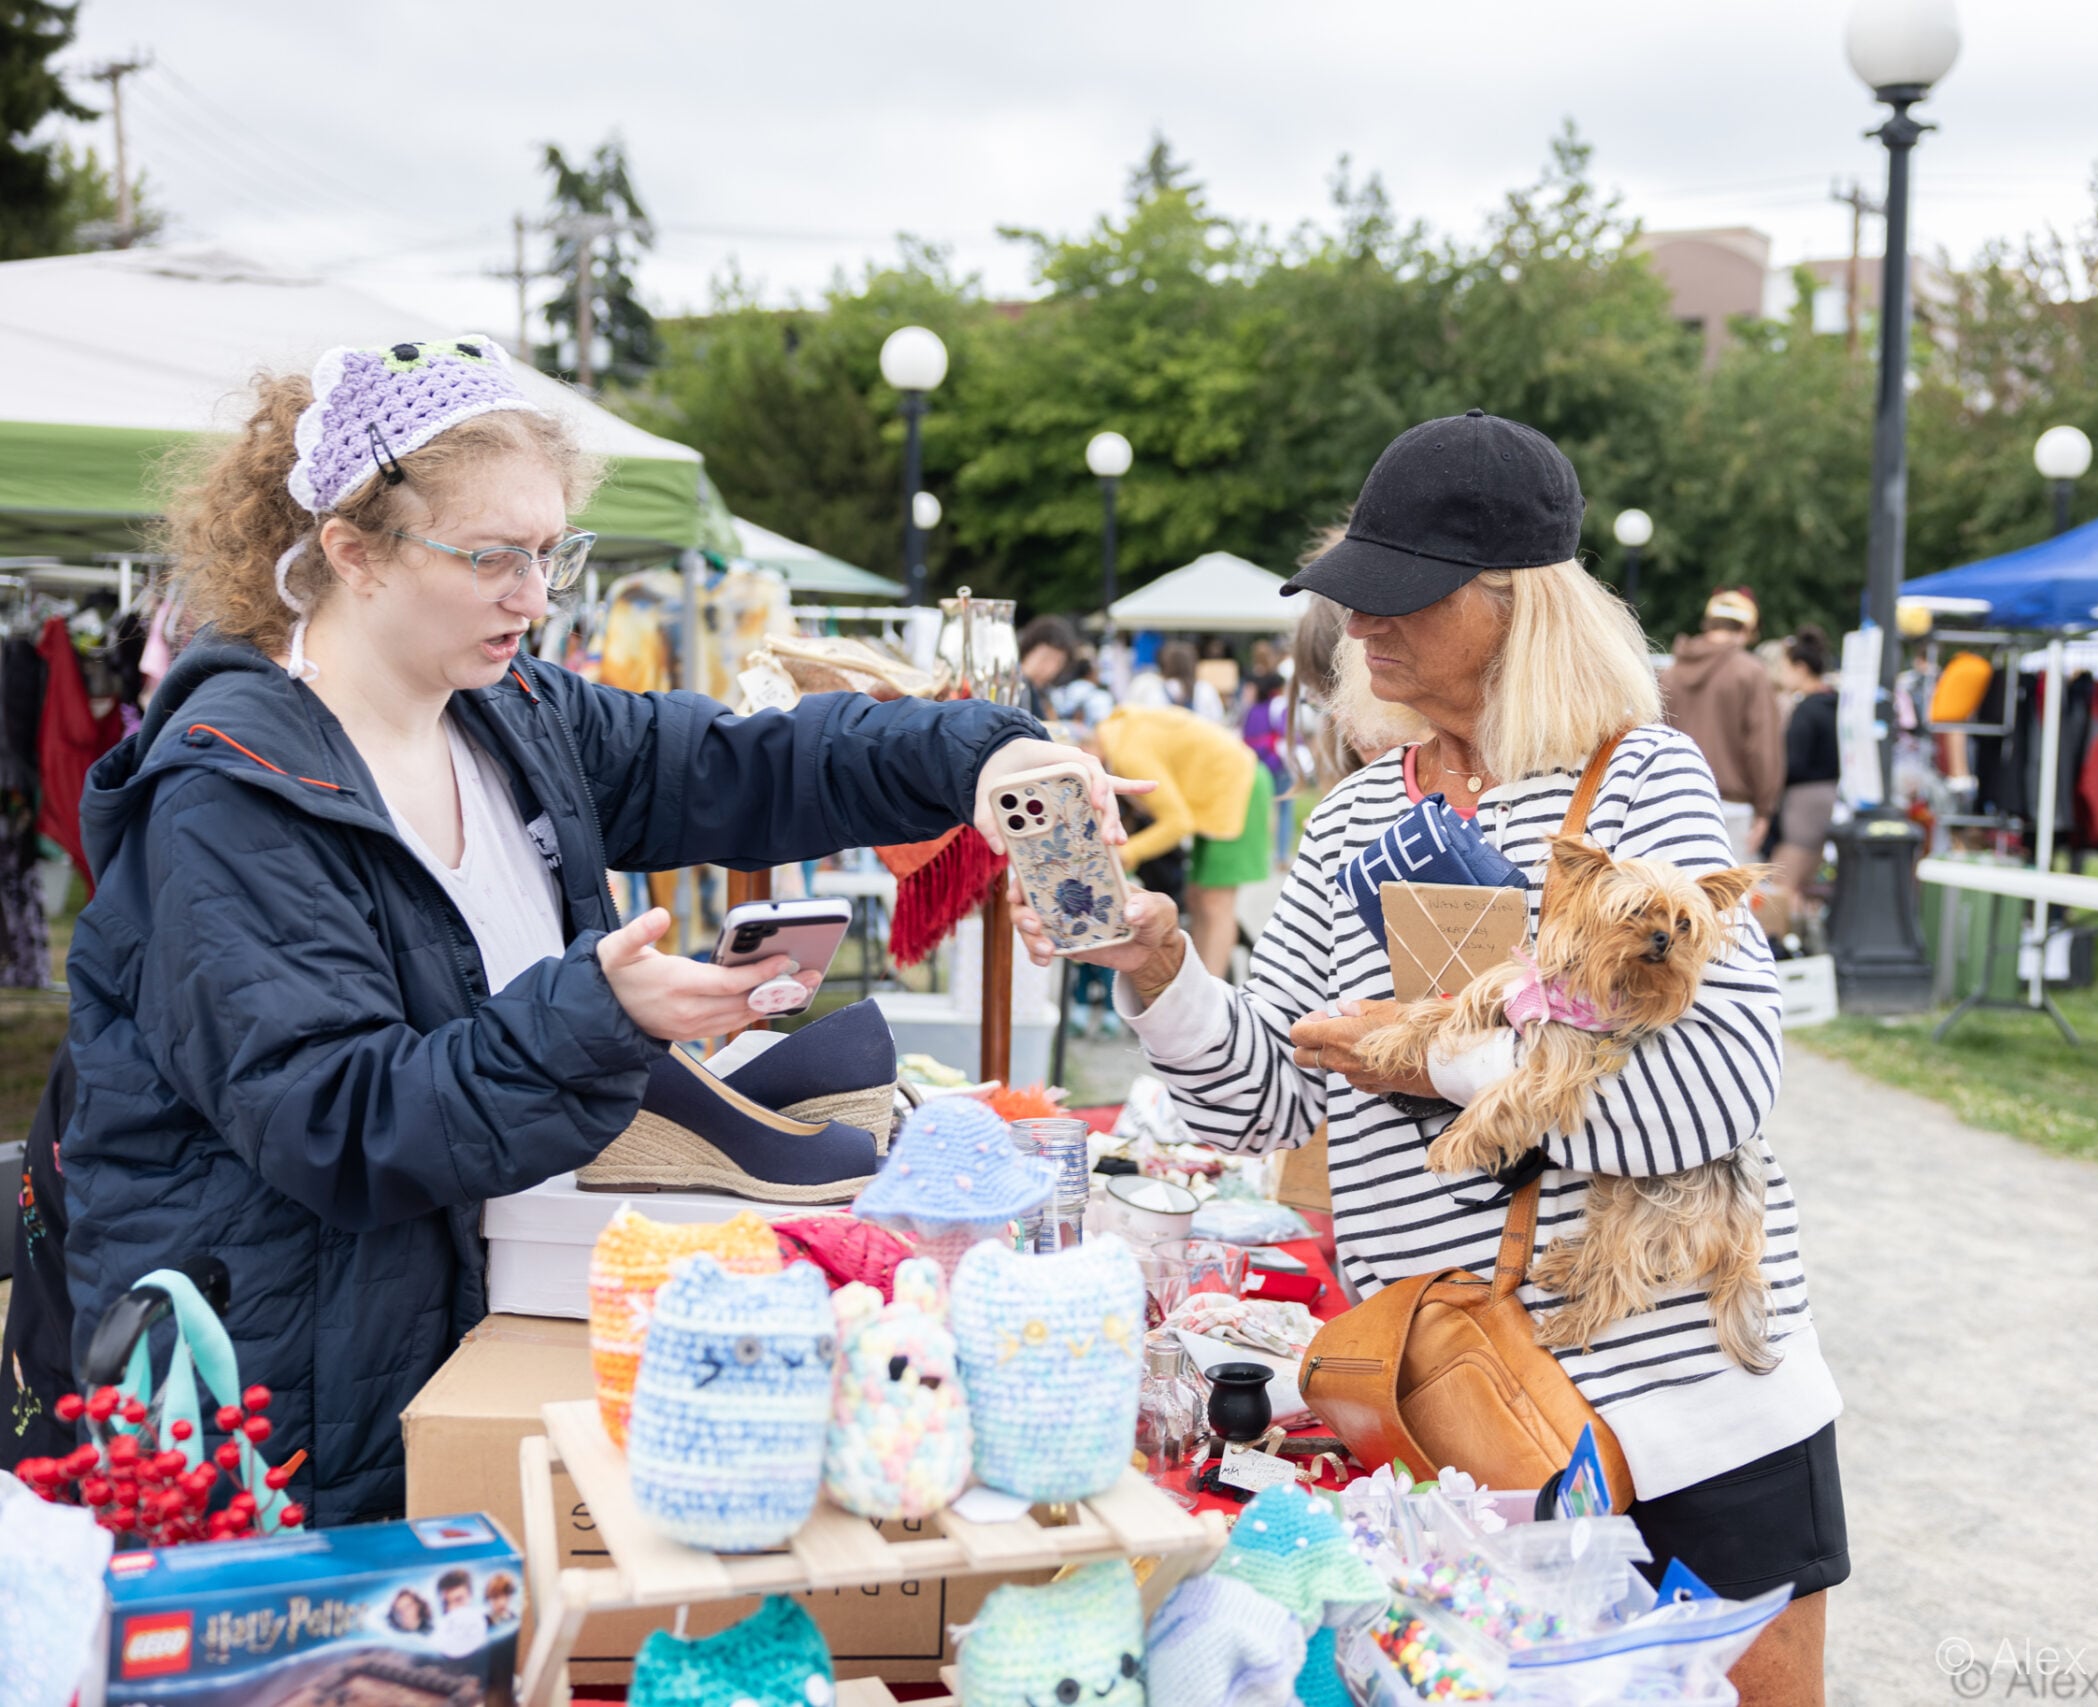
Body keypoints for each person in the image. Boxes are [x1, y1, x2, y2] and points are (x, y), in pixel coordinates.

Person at [52, 338, 1131, 1528]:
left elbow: (740, 763)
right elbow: (338, 1120)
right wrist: (596, 1016)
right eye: (492, 557)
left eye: (551, 552)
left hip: (474, 1319)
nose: (535, 595)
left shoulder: (510, 711)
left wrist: (981, 754)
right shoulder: (230, 796)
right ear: (350, 551)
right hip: (297, 1393)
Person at [1016, 411, 1843, 1707]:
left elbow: (1720, 1085)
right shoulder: (1356, 812)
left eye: (1400, 594)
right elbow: (1267, 1094)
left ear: (1521, 605)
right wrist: (1162, 968)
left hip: (1687, 1415)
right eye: (1354, 595)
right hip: (1465, 1422)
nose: (1362, 627)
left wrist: (1436, 1069)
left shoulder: (1640, 783)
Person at [1091, 701, 1271, 983]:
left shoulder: (1127, 754)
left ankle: (1213, 1000)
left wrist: (1128, 853)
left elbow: (1177, 823)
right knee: (1196, 897)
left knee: (1216, 904)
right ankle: (1197, 986)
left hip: (1238, 786)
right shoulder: (1115, 732)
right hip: (1212, 795)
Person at [1660, 588, 1784, 851]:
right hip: (1731, 806)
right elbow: (1761, 747)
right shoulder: (1750, 672)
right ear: (1746, 629)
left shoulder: (1669, 674)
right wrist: (1765, 810)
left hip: (1671, 800)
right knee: (1728, 891)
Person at [1768, 628, 1840, 898]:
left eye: (1785, 667)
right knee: (1804, 880)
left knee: (1784, 880)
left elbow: (1794, 762)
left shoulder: (1807, 710)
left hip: (1803, 801)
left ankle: (1779, 935)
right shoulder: (1832, 703)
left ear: (1800, 668)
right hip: (1826, 793)